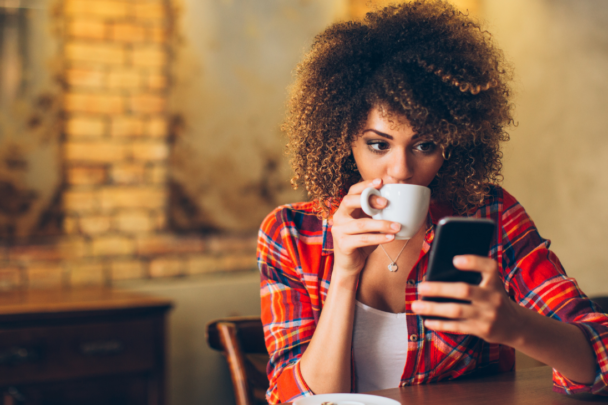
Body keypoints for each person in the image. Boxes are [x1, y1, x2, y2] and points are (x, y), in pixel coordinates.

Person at [257, 1, 608, 404]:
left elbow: (601, 358)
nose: (401, 169)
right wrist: (343, 274)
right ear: (343, 138)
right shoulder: (289, 234)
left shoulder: (486, 214)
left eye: (425, 145)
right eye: (378, 144)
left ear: (453, 146)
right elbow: (297, 399)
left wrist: (515, 325)